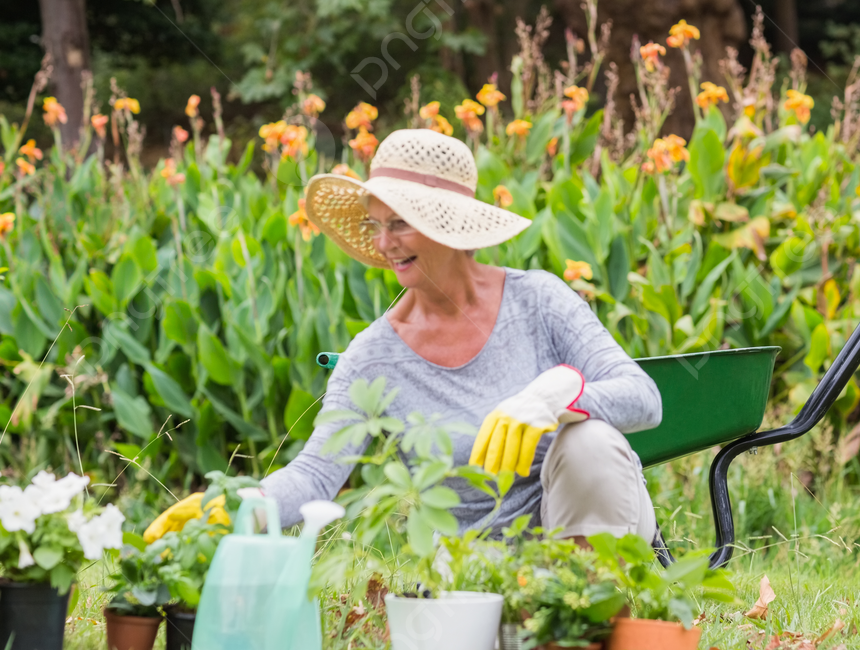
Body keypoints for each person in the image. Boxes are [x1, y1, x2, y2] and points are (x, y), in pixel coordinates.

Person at [165, 128, 662, 544]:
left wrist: (555, 399)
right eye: (374, 225)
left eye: (399, 223)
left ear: (447, 224)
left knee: (589, 441)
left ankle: (589, 618)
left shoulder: (538, 302)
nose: (382, 245)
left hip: (592, 541)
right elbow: (317, 474)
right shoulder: (375, 357)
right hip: (474, 564)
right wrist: (242, 505)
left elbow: (643, 398)